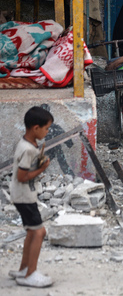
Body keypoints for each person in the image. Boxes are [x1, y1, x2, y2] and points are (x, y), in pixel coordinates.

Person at [9, 106, 54, 288]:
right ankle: (31, 273)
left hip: (22, 195)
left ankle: (23, 269)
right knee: (39, 232)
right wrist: (41, 169)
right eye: (46, 128)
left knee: (31, 230)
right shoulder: (28, 149)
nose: (47, 132)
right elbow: (22, 176)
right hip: (24, 196)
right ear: (36, 128)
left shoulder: (28, 144)